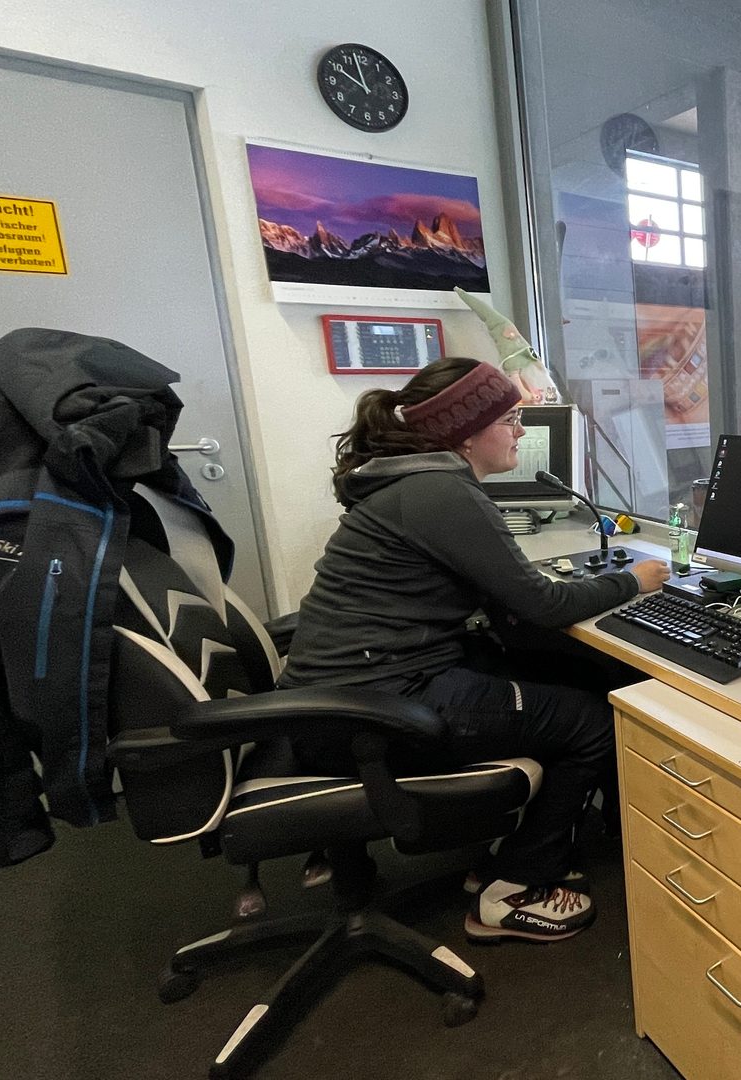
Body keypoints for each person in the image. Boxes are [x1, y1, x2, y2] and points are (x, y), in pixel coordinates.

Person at [278, 358, 668, 942]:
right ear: (465, 433)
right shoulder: (440, 492)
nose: (521, 432)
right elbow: (546, 606)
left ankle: (514, 849)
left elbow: (512, 601)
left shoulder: (411, 482)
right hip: (375, 706)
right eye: (511, 419)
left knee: (562, 674)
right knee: (590, 720)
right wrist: (638, 580)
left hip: (347, 688)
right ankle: (513, 887)